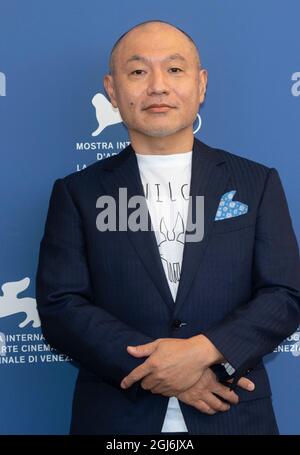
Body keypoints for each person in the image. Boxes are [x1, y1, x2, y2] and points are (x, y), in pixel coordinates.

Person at [36, 20, 300, 435]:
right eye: (138, 71)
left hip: (234, 414)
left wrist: (202, 352)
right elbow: (61, 305)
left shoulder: (256, 181)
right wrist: (163, 370)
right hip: (116, 418)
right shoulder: (78, 192)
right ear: (112, 89)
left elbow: (284, 294)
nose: (157, 86)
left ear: (201, 83)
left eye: (174, 70)